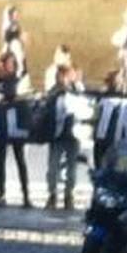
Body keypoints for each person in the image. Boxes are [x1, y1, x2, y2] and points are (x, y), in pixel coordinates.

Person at [0, 51, 32, 208]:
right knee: (0, 160)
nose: (10, 66)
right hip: (1, 122)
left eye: (12, 63)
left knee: (20, 159)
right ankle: (1, 193)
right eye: (8, 63)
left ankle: (26, 195)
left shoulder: (18, 79)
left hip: (16, 123)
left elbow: (21, 94)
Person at [44, 65, 80, 211]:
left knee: (71, 167)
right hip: (57, 135)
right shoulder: (54, 92)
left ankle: (68, 195)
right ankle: (52, 194)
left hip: (73, 135)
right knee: (53, 166)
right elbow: (48, 108)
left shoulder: (78, 90)